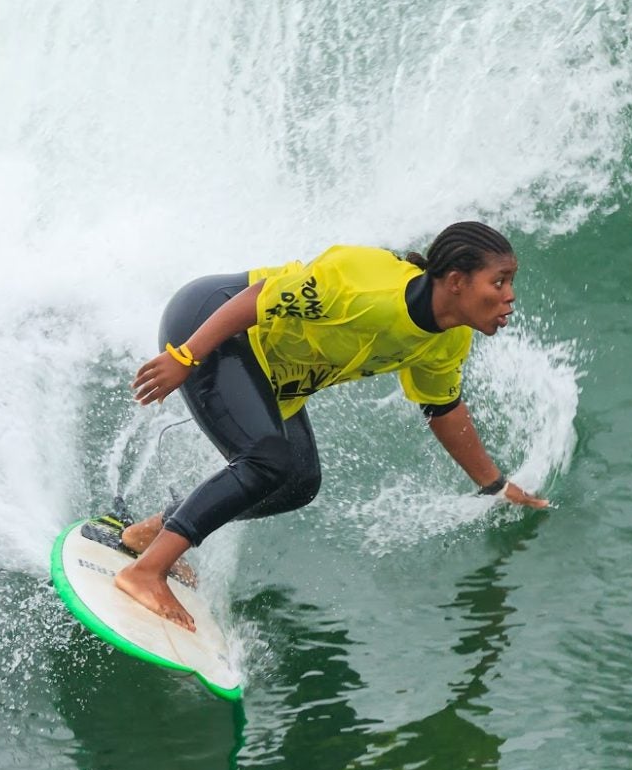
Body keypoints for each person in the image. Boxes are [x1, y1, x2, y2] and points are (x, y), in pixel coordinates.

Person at [105, 220, 548, 629]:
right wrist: (186, 356)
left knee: (297, 481)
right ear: (456, 282)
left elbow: (443, 408)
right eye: (499, 281)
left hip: (272, 372)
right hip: (213, 325)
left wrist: (494, 486)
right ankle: (146, 572)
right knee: (266, 460)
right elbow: (259, 297)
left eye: (511, 282)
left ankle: (152, 534)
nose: (510, 295)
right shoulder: (366, 285)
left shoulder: (448, 340)